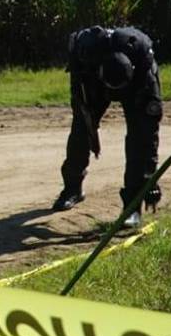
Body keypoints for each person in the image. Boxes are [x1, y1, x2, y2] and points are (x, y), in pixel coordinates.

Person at [53, 25, 163, 226]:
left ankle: (132, 208)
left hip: (135, 88)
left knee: (138, 140)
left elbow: (148, 135)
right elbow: (78, 88)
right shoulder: (86, 52)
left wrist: (149, 177)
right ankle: (72, 188)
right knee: (81, 131)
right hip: (95, 84)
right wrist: (87, 118)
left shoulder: (144, 69)